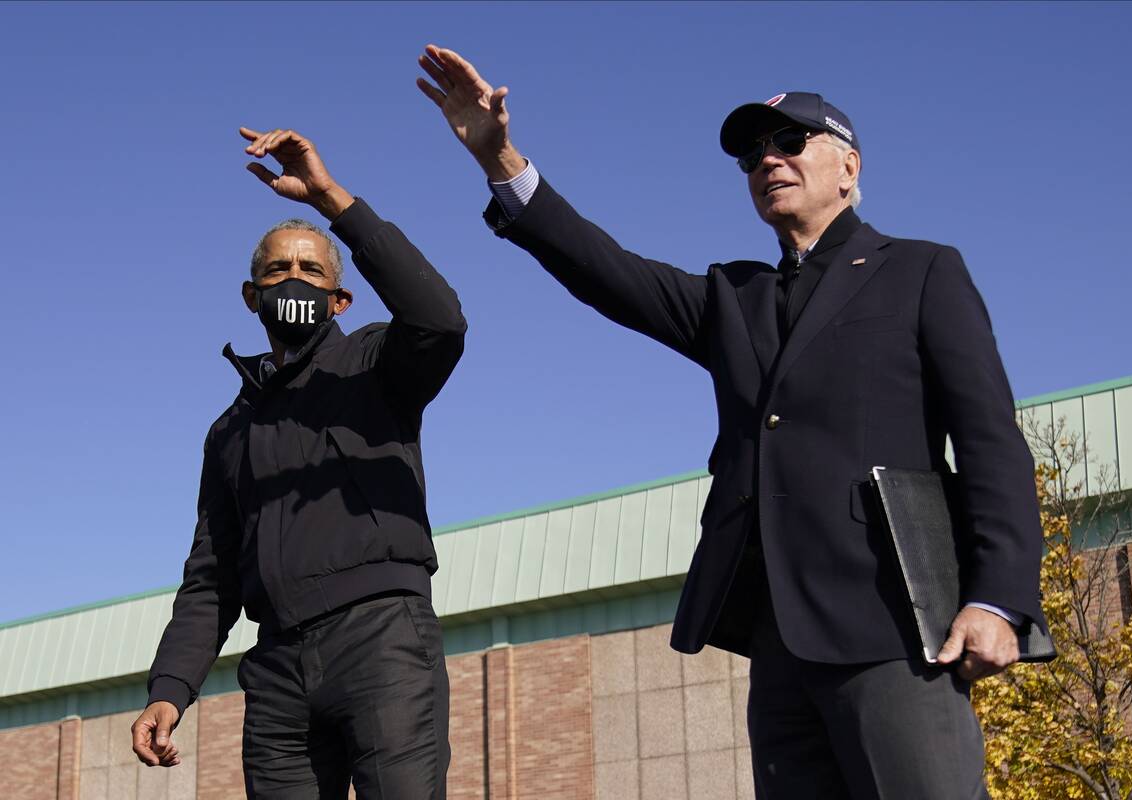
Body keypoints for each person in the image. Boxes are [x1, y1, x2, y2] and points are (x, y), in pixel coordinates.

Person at [417, 45, 1046, 800]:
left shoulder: (921, 271)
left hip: (896, 628)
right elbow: (607, 271)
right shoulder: (734, 298)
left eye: (789, 141)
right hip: (778, 643)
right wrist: (502, 160)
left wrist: (997, 597)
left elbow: (990, 446)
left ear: (849, 167)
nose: (767, 161)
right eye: (752, 154)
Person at [130, 127, 465, 799]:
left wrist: (333, 200)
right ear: (251, 297)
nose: (294, 279)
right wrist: (169, 690)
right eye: (277, 270)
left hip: (384, 643)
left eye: (312, 270)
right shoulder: (228, 431)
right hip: (277, 672)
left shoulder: (376, 364)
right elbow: (211, 578)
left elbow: (439, 319)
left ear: (341, 301)